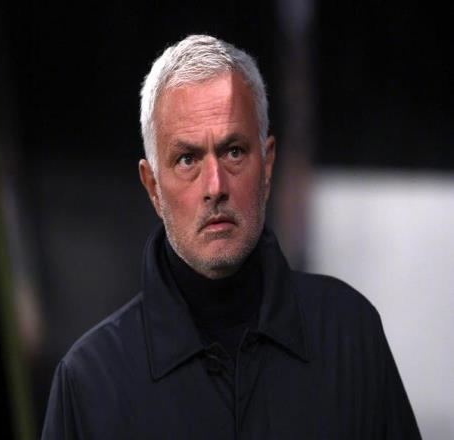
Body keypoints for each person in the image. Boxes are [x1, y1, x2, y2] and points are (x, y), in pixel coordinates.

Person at [41, 35, 421, 439]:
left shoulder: (349, 335)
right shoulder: (90, 383)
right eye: (187, 159)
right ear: (152, 187)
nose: (215, 186)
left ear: (267, 165)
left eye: (234, 151)